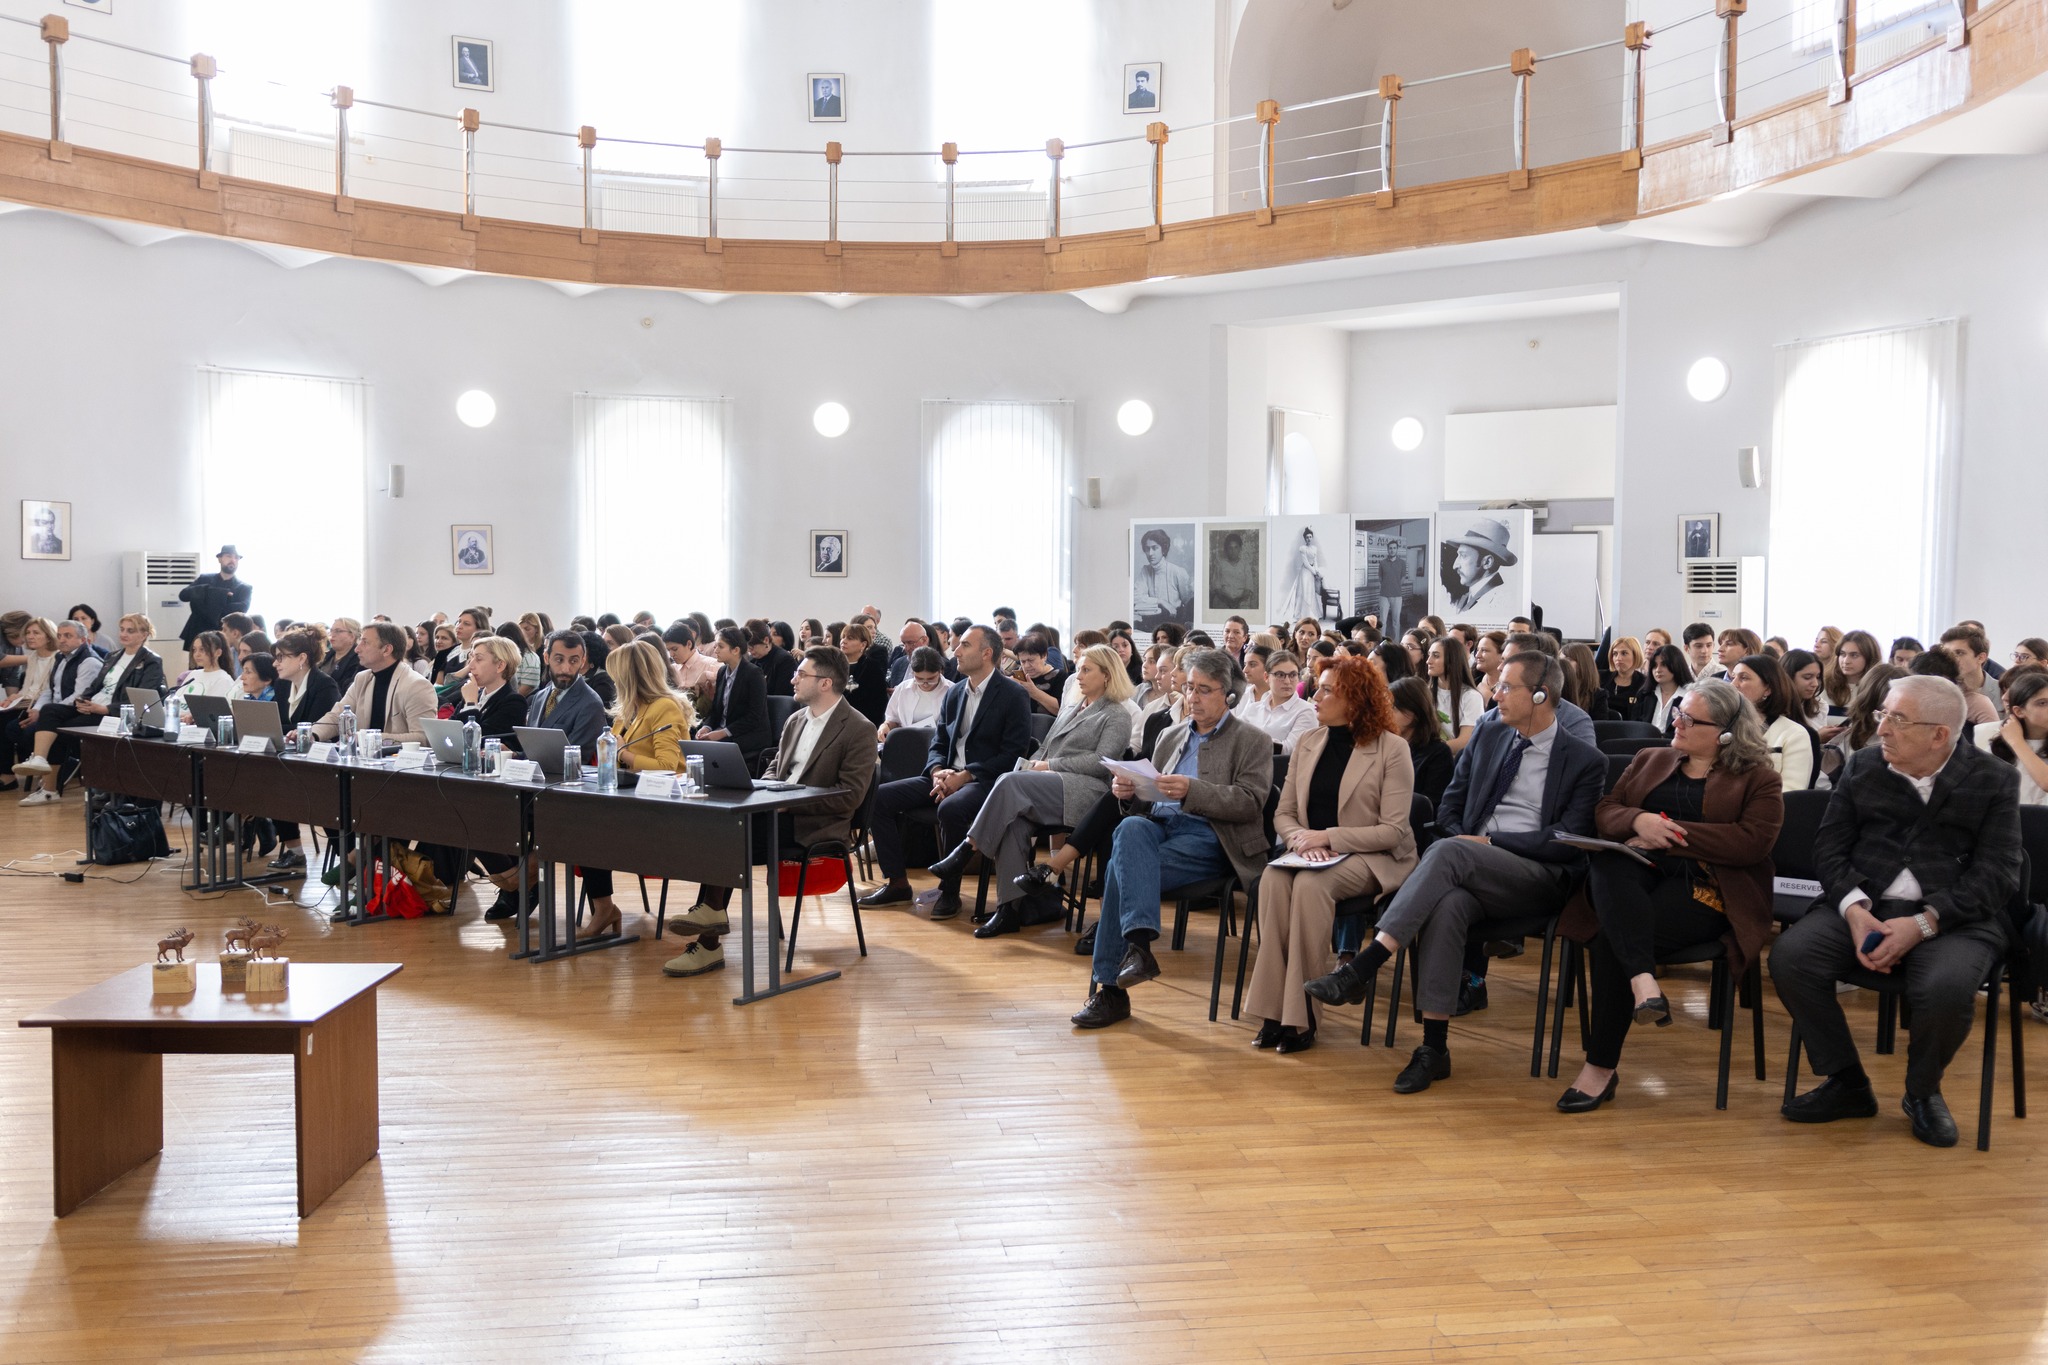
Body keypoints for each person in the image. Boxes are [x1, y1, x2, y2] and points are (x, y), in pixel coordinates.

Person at [1302, 651, 1605, 1092]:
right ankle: (1434, 1048)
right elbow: (1449, 805)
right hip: (1467, 866)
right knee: (1448, 904)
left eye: (1507, 687)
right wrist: (1466, 840)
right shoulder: (1489, 736)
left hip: (1538, 875)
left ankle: (1364, 965)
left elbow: (1566, 838)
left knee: (1450, 852)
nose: (1495, 694)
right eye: (1497, 685)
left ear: (1541, 695)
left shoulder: (1584, 760)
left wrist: (1489, 843)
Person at [1772, 675, 2022, 1148]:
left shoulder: (1993, 779)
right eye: (1883, 714)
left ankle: (1922, 1092)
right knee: (1793, 957)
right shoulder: (1865, 765)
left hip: (1954, 918)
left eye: (1897, 719)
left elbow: (1998, 874)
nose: (1882, 728)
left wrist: (1924, 923)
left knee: (1946, 986)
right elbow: (1829, 848)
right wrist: (1853, 908)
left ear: (1939, 734)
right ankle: (1847, 1081)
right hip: (1864, 904)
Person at [1554, 680, 1785, 1110]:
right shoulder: (1651, 758)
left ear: (1726, 733)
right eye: (1678, 712)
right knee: (1608, 863)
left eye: (1690, 719)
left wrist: (1668, 834)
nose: (1676, 722)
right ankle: (1644, 983)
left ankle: (1599, 1069)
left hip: (1707, 888)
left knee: (1612, 940)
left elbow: (1751, 843)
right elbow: (1605, 811)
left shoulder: (1759, 779)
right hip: (1633, 876)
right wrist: (1638, 821)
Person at [1071, 650, 1273, 1029]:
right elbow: (1147, 799)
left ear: (1227, 694)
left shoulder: (1252, 740)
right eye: (1189, 688)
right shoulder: (1170, 734)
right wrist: (1128, 791)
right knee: (1129, 828)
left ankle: (1112, 991)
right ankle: (1139, 949)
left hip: (1213, 839)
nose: (1192, 698)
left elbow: (1250, 802)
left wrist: (1193, 791)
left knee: (1118, 871)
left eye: (1204, 690)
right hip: (1159, 831)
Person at [1245, 657, 1417, 1052]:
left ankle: (1302, 1016)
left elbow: (1392, 831)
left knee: (1310, 887)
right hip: (1312, 854)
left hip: (1376, 857)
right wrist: (1301, 841)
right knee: (1273, 877)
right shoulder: (1309, 741)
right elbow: (1284, 814)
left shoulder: (1392, 749)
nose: (1314, 696)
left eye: (1326, 690)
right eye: (1317, 687)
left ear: (1354, 699)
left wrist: (1326, 838)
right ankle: (1273, 1012)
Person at [673, 646, 879, 976]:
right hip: (775, 810)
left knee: (733, 833)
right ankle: (710, 921)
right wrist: (765, 789)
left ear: (825, 683)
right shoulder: (796, 719)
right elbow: (775, 767)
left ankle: (709, 934)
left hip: (814, 824)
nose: (792, 679)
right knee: (722, 825)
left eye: (801, 674)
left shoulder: (859, 728)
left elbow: (849, 796)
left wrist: (788, 802)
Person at [930, 645, 1135, 938]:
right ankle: (1008, 911)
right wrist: (1027, 767)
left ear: (1107, 675)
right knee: (1013, 822)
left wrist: (1048, 766)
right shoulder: (1071, 708)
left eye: (1086, 670)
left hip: (1086, 791)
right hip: (1047, 786)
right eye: (1079, 668)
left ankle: (967, 849)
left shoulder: (1116, 714)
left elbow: (1101, 762)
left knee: (1009, 781)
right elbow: (1043, 748)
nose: (1078, 675)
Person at [860, 625, 1033, 920]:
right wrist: (938, 770)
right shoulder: (956, 693)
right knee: (878, 797)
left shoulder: (1012, 694)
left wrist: (965, 776)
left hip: (985, 780)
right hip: (946, 775)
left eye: (965, 645)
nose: (956, 651)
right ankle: (897, 883)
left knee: (951, 808)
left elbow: (1013, 754)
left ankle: (949, 891)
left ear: (986, 653)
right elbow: (938, 742)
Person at [573, 641, 694, 943]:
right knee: (578, 822)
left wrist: (624, 754)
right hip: (629, 799)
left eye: (617, 675)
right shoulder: (628, 711)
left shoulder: (664, 707)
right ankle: (604, 907)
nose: (613, 681)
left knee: (588, 829)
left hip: (662, 807)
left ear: (630, 676)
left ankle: (603, 909)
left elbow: (669, 766)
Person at [9, 620, 104, 803]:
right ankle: (44, 777)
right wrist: (38, 709)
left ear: (83, 639)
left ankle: (45, 775)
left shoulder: (89, 661)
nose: (62, 640)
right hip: (58, 711)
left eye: (68, 636)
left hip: (82, 710)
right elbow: (49, 690)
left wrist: (52, 710)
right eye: (59, 635)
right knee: (23, 726)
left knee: (48, 725)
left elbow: (80, 695)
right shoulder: (60, 657)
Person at [309, 621, 438, 746]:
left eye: (365, 643)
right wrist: (311, 734)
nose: (357, 649)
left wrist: (370, 738)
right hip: (363, 757)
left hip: (397, 759)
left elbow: (423, 737)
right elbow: (337, 717)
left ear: (386, 650)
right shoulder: (362, 679)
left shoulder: (416, 685)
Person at [1729, 654, 1816, 792]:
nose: (1733, 685)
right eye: (1732, 677)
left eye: (1743, 678)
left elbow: (1791, 789)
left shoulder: (1794, 733)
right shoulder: (1722, 725)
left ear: (1768, 689)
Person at [695, 625, 774, 763]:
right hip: (726, 730)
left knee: (711, 749)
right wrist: (706, 727)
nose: (715, 650)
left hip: (749, 734)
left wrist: (722, 733)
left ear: (735, 650)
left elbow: (753, 717)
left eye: (720, 646)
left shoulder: (754, 673)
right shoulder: (722, 672)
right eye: (716, 646)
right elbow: (716, 711)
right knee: (695, 742)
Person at [73, 613, 166, 721]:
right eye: (122, 629)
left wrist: (106, 709)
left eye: (130, 631)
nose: (123, 634)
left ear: (144, 635)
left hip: (113, 713)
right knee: (56, 711)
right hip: (94, 706)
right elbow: (95, 686)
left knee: (68, 724)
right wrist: (82, 700)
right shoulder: (112, 656)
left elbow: (142, 698)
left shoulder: (152, 661)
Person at [1979, 666, 2048, 807]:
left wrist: (2017, 742)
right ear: (2019, 711)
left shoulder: (2015, 741)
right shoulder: (1998, 748)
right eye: (2042, 703)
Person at [1233, 647, 1315, 754]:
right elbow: (1234, 736)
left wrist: (1250, 741)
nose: (1287, 681)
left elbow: (1288, 749)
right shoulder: (1254, 708)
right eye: (1280, 675)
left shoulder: (1306, 711)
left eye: (1292, 675)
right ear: (1266, 677)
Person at [177, 545, 252, 650]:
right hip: (198, 633)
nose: (233, 560)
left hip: (223, 639)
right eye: (229, 556)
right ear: (220, 559)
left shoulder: (244, 588)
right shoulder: (204, 579)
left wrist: (205, 601)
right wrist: (219, 594)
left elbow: (241, 610)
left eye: (236, 557)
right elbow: (183, 595)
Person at [453, 636, 528, 740]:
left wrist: (471, 704)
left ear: (500, 666)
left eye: (479, 659)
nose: (471, 665)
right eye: (471, 658)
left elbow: (476, 740)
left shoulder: (514, 702)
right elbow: (451, 729)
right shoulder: (474, 694)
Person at [1438, 519, 1517, 617]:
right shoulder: (1466, 598)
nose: (1455, 566)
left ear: (1487, 562)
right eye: (1458, 555)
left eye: (1463, 555)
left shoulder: (1502, 602)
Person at [1426, 635, 1484, 754]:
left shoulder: (1471, 697)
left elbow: (1465, 741)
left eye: (1436, 656)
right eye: (1429, 655)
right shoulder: (1426, 692)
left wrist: (1427, 753)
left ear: (1452, 660)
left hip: (1455, 760)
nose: (1428, 661)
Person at [1937, 624, 2002, 724]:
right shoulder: (1940, 693)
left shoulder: (2004, 693)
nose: (1951, 659)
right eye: (1947, 654)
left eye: (1959, 653)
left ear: (1981, 658)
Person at [880, 646, 949, 737]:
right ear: (912, 673)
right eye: (919, 679)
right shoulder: (903, 689)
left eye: (931, 679)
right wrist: (885, 726)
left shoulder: (951, 690)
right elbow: (893, 719)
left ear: (940, 672)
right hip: (908, 740)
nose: (925, 684)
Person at [1133, 529, 1193, 634]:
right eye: (1147, 549)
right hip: (1151, 623)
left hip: (1175, 624)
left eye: (1154, 548)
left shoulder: (1178, 572)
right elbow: (1136, 597)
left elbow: (1189, 601)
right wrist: (1161, 601)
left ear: (1164, 549)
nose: (1150, 553)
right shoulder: (1145, 571)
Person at [837, 621, 890, 728]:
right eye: (843, 637)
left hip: (862, 723)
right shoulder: (834, 665)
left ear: (863, 644)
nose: (844, 641)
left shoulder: (872, 668)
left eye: (850, 638)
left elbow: (879, 704)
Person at [1010, 633, 1069, 718]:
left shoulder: (1060, 677)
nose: (1027, 666)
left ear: (1044, 656)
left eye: (1031, 660)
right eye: (1023, 661)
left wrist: (1034, 692)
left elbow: (1062, 710)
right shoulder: (1017, 676)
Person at [1276, 527, 1327, 623]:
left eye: (1310, 537)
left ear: (1312, 538)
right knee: (1305, 591)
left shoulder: (1314, 548)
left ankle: (1311, 613)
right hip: (1305, 572)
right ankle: (1302, 614)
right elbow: (1306, 563)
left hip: (1312, 572)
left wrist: (1316, 570)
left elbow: (1315, 561)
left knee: (1311, 592)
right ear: (1304, 538)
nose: (1309, 539)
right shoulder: (1303, 549)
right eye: (1307, 537)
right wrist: (1314, 571)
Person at [170, 631, 238, 700]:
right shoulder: (193, 674)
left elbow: (212, 706)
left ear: (218, 653)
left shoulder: (223, 680)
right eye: (194, 650)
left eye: (202, 649)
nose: (197, 654)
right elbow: (176, 699)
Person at [1600, 636, 1653, 723]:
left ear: (1635, 655)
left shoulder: (1644, 683)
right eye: (1615, 654)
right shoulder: (1601, 678)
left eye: (1624, 653)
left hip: (1630, 729)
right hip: (1601, 727)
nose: (1618, 658)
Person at [1647, 644, 1694, 734]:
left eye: (1663, 665)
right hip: (1645, 741)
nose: (1658, 670)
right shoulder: (1645, 694)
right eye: (1654, 666)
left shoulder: (1689, 697)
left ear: (1676, 665)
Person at [747, 618, 798, 697]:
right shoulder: (750, 661)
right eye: (748, 647)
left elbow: (782, 698)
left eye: (752, 647)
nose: (750, 651)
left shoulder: (785, 660)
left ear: (766, 640)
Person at [1375, 539, 1413, 638]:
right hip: (1384, 596)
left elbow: (1403, 577)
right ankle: (1382, 640)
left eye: (1394, 548)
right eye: (1390, 548)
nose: (1392, 550)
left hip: (1397, 596)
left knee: (1396, 621)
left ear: (1397, 549)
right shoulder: (1382, 563)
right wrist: (1387, 585)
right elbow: (1380, 578)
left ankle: (1396, 642)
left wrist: (1395, 586)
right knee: (1382, 621)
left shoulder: (1402, 563)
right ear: (1388, 549)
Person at [1781, 648, 1825, 726]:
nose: (1815, 684)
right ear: (1788, 676)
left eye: (1818, 677)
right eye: (1807, 677)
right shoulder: (1772, 709)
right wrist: (1816, 734)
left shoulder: (1819, 706)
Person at [1471, 630, 1505, 705]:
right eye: (1477, 650)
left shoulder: (1512, 685)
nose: (1477, 655)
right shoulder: (1473, 680)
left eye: (1484, 650)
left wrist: (1488, 697)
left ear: (1502, 655)